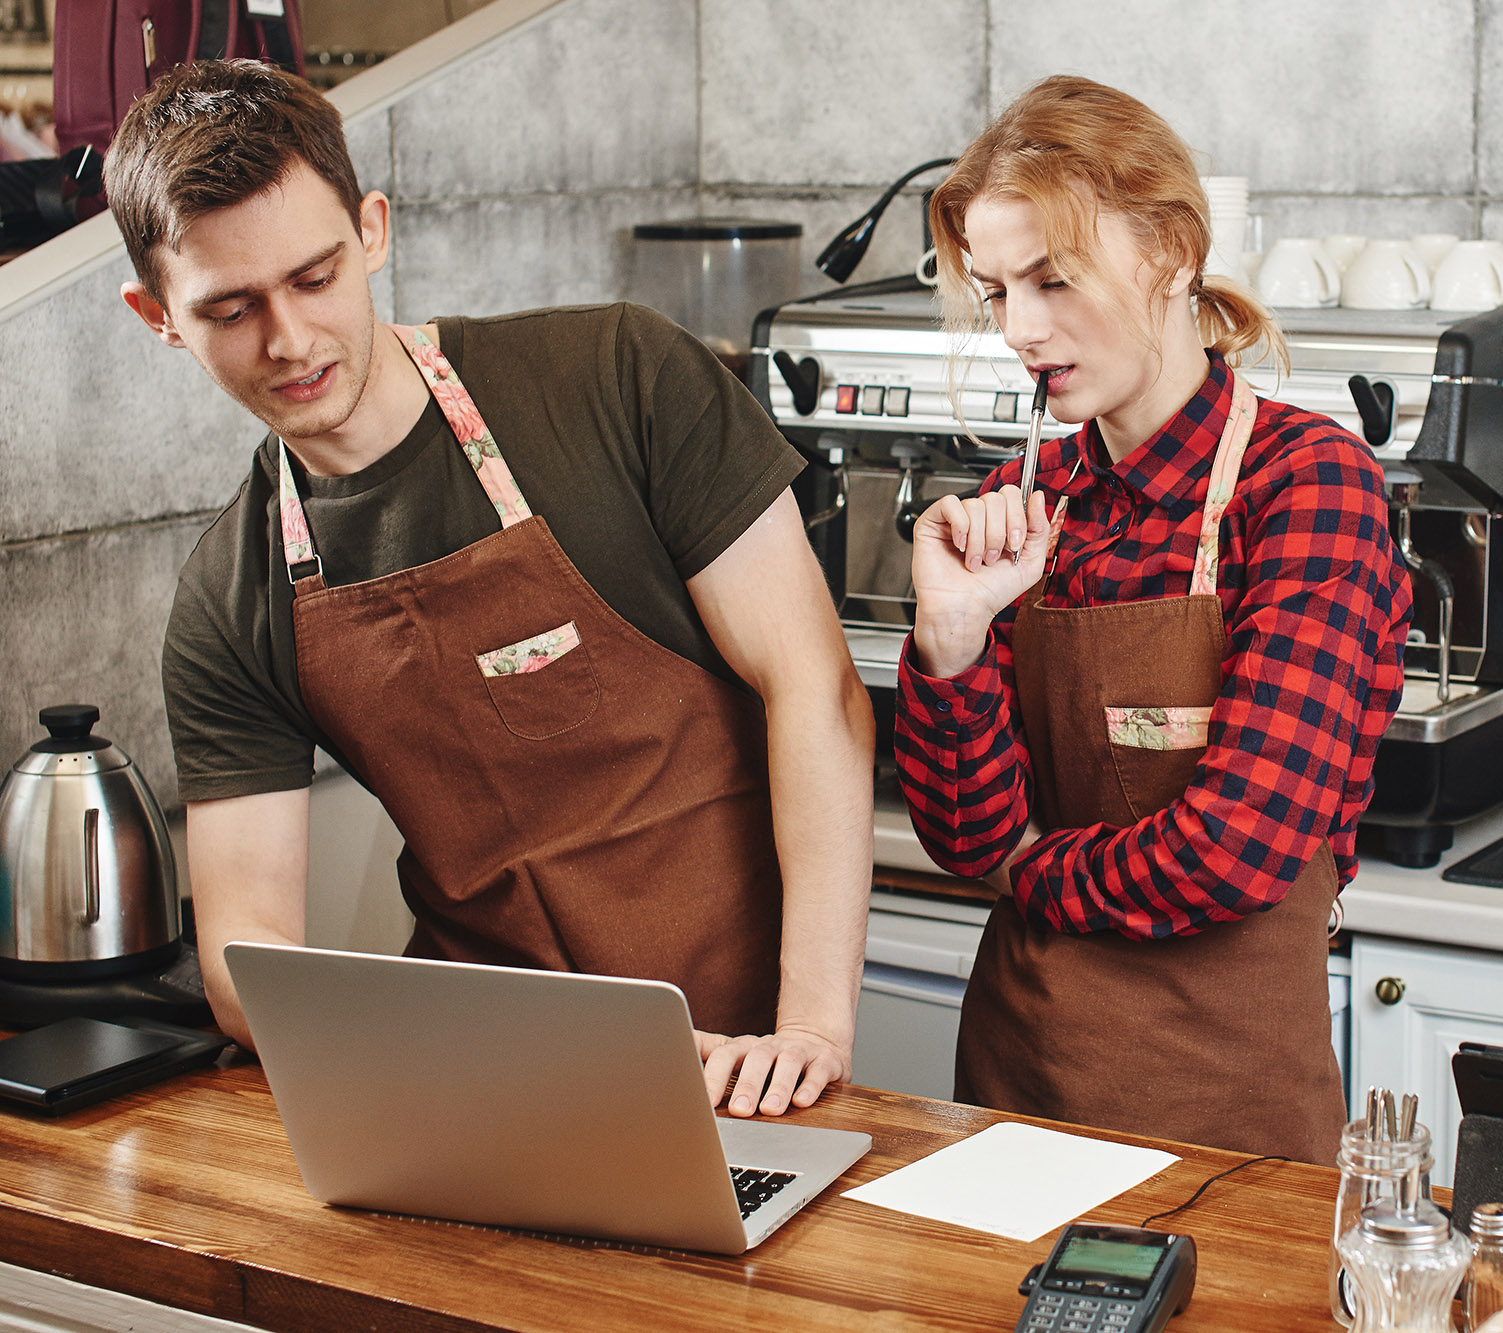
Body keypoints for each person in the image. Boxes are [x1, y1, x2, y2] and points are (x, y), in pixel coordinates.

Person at [105, 60, 874, 1119]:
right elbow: (246, 951)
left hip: (754, 1061)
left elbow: (814, 690)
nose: (288, 341)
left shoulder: (619, 377)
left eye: (315, 276)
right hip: (487, 1088)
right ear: (157, 316)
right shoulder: (229, 599)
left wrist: (810, 1026)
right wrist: (445, 1056)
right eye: (231, 308)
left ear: (372, 230)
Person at [895, 76, 1413, 1166]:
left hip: (1223, 1123)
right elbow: (966, 838)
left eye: (1053, 280)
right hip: (1012, 1089)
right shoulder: (1027, 505)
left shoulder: (1307, 486)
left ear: (1173, 253)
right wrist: (948, 644)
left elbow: (1234, 853)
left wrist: (1029, 873)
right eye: (995, 292)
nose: (1020, 331)